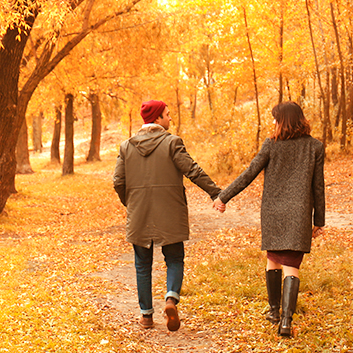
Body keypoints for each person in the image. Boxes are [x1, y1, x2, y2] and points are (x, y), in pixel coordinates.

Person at [214, 101, 326, 337]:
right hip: (299, 213)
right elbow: (318, 187)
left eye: (275, 118)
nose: (273, 123)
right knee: (291, 265)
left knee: (274, 259)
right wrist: (319, 220)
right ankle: (285, 321)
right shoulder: (315, 147)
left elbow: (249, 173)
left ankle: (274, 311)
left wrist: (224, 196)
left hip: (273, 212)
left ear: (283, 121)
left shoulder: (271, 145)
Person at [113, 100, 221, 332]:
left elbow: (118, 182)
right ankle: (171, 299)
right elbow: (192, 170)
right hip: (170, 212)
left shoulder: (126, 146)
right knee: (174, 258)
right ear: (158, 118)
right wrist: (216, 193)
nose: (170, 119)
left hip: (139, 213)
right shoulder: (172, 143)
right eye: (167, 115)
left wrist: (131, 203)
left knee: (143, 264)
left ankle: (146, 317)